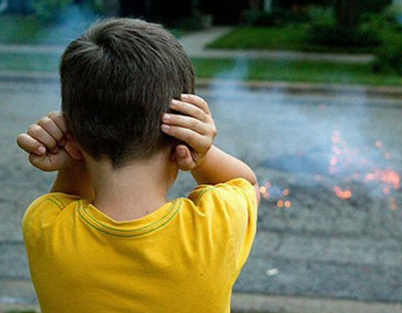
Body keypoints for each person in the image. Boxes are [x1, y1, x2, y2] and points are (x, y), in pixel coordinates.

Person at [16, 18, 259, 313]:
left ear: (75, 137)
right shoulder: (215, 226)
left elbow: (68, 200)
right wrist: (204, 154)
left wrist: (74, 156)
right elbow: (246, 184)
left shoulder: (44, 225)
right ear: (179, 138)